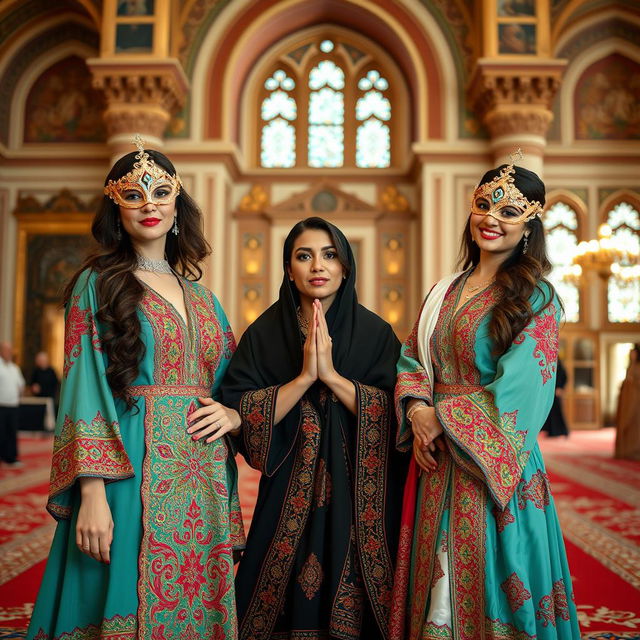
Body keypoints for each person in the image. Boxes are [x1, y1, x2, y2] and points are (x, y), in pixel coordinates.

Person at [27, 137, 245, 639]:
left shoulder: (206, 299)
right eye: (133, 194)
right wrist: (92, 493)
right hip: (128, 469)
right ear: (115, 207)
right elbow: (84, 387)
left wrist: (233, 416)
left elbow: (233, 382)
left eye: (161, 191)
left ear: (177, 202)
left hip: (203, 476)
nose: (149, 203)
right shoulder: (97, 283)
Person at [389, 162, 581, 639]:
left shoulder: (537, 298)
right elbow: (411, 359)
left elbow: (522, 391)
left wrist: (440, 419)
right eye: (483, 205)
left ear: (530, 224)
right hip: (435, 465)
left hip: (496, 471)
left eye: (509, 210)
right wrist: (416, 411)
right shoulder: (442, 292)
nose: (491, 218)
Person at [221, 217, 406, 640]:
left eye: (329, 255)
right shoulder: (264, 334)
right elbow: (236, 409)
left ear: (345, 266)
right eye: (304, 256)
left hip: (359, 492)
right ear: (289, 268)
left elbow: (399, 412)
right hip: (287, 488)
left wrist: (334, 378)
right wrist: (304, 377)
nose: (317, 266)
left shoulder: (376, 333)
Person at [0, 341, 25, 466]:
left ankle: (11, 457)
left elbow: (21, 384)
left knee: (11, 432)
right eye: (6, 350)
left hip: (13, 405)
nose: (9, 353)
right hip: (1, 405)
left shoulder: (15, 368)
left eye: (10, 350)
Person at [615, 344, 640, 460]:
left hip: (635, 403)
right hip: (627, 402)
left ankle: (634, 450)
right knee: (625, 424)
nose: (632, 355)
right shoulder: (630, 367)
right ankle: (624, 451)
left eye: (633, 353)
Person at [542, 358, 569, 437]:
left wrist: (560, 388)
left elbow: (564, 378)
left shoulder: (560, 368)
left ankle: (562, 431)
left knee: (557, 412)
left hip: (556, 393)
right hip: (549, 393)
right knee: (549, 412)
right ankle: (551, 432)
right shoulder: (549, 367)